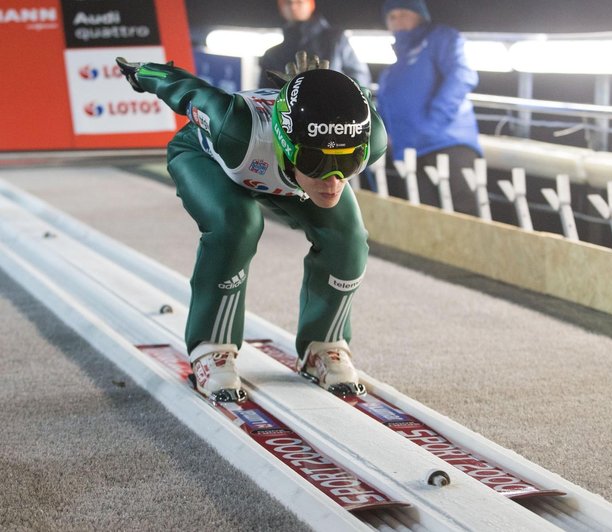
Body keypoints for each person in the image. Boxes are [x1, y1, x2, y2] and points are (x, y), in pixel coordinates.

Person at [116, 55, 386, 402]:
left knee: (348, 239)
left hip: (289, 178)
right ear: (285, 147)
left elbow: (351, 95)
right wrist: (142, 73)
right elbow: (188, 91)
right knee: (237, 225)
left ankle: (325, 343)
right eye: (315, 160)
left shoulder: (370, 136)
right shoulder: (237, 128)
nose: (333, 181)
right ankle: (212, 348)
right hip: (211, 159)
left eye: (349, 162)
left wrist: (318, 84)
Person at [378, 0, 483, 216]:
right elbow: (384, 107)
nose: (398, 21)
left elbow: (462, 76)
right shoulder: (391, 71)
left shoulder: (442, 37)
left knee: (466, 218)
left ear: (420, 15)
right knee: (424, 220)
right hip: (409, 153)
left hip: (449, 145)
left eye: (404, 13)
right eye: (392, 16)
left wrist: (432, 122)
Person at [259, 0, 371, 88]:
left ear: (311, 4)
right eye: (288, 2)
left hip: (335, 114)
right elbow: (263, 96)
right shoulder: (272, 55)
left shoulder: (336, 40)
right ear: (280, 7)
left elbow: (360, 78)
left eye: (299, 1)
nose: (293, 6)